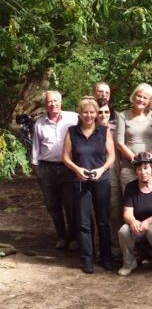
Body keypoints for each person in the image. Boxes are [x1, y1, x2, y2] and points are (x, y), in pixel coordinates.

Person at [62, 97, 115, 273]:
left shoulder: (104, 131)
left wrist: (101, 170)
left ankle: (106, 257)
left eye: (93, 112)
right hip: (80, 181)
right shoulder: (72, 132)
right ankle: (87, 258)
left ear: (96, 113)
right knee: (84, 222)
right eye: (86, 112)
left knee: (103, 221)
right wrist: (77, 169)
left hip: (101, 180)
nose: (89, 115)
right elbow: (66, 157)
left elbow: (112, 157)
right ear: (80, 113)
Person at [31, 90, 80, 251]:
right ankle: (61, 236)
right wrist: (37, 169)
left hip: (68, 167)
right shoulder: (39, 123)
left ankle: (73, 237)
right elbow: (36, 148)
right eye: (49, 102)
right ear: (45, 104)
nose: (52, 104)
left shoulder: (73, 118)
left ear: (61, 102)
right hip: (47, 168)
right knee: (52, 205)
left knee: (71, 204)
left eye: (55, 101)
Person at [118, 152, 152, 276]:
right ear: (135, 170)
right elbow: (127, 213)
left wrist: (148, 221)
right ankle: (129, 263)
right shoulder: (130, 187)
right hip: (138, 225)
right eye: (139, 169)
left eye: (146, 168)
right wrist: (132, 221)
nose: (143, 172)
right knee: (123, 231)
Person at [116, 83, 152, 189]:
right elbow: (119, 143)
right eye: (139, 96)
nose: (141, 99)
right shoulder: (123, 116)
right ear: (134, 96)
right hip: (129, 168)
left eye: (145, 98)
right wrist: (136, 159)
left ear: (149, 101)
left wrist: (146, 159)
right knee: (131, 201)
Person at [96, 95, 122, 256]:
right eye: (100, 112)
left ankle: (117, 247)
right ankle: (99, 247)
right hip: (94, 174)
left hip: (113, 173)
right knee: (98, 212)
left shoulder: (115, 130)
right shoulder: (89, 130)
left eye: (106, 112)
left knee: (115, 211)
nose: (103, 115)